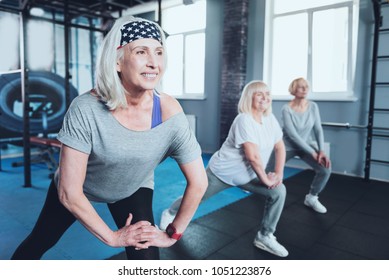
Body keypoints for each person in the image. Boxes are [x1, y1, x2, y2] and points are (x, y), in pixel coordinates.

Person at [11, 15, 207, 260]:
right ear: (118, 61)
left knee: (147, 261)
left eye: (158, 52)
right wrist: (113, 237)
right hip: (81, 188)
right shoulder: (86, 109)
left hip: (133, 187)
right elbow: (69, 193)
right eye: (141, 52)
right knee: (39, 241)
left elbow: (199, 183)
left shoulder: (168, 113)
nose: (153, 63)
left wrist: (173, 234)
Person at [160, 80, 289, 258]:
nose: (265, 97)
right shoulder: (244, 120)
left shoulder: (270, 119)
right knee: (195, 199)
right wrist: (266, 179)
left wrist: (279, 174)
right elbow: (253, 156)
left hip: (250, 175)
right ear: (249, 97)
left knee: (278, 191)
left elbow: (280, 147)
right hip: (222, 173)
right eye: (259, 94)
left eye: (267, 94)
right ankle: (170, 212)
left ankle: (265, 236)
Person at [279, 77, 331, 213]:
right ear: (294, 90)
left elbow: (318, 129)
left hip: (306, 146)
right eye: (301, 87)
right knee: (269, 171)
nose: (305, 89)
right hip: (287, 146)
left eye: (306, 86)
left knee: (325, 169)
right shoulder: (286, 109)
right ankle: (254, 184)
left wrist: (321, 151)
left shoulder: (313, 106)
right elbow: (292, 135)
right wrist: (313, 153)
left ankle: (312, 198)